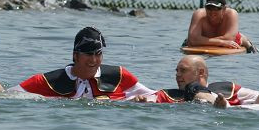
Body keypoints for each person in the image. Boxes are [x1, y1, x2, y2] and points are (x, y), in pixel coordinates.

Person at [13, 26, 154, 100]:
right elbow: (7, 96)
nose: (93, 60)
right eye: (88, 54)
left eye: (98, 54)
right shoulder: (47, 81)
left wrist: (142, 101)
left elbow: (154, 95)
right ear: (75, 56)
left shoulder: (119, 76)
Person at [140, 55, 259, 109]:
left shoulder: (226, 87)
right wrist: (140, 101)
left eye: (182, 70)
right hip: (223, 112)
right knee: (193, 90)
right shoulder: (167, 93)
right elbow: (143, 101)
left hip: (243, 113)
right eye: (176, 71)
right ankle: (213, 103)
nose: (177, 75)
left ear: (200, 72)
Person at [184, 0, 256, 52]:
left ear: (224, 9)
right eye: (209, 8)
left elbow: (229, 39)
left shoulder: (232, 14)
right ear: (205, 7)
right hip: (219, 41)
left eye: (217, 8)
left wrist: (199, 40)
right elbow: (193, 40)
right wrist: (222, 42)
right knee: (190, 41)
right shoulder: (199, 14)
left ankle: (244, 41)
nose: (212, 12)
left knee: (236, 40)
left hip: (230, 40)